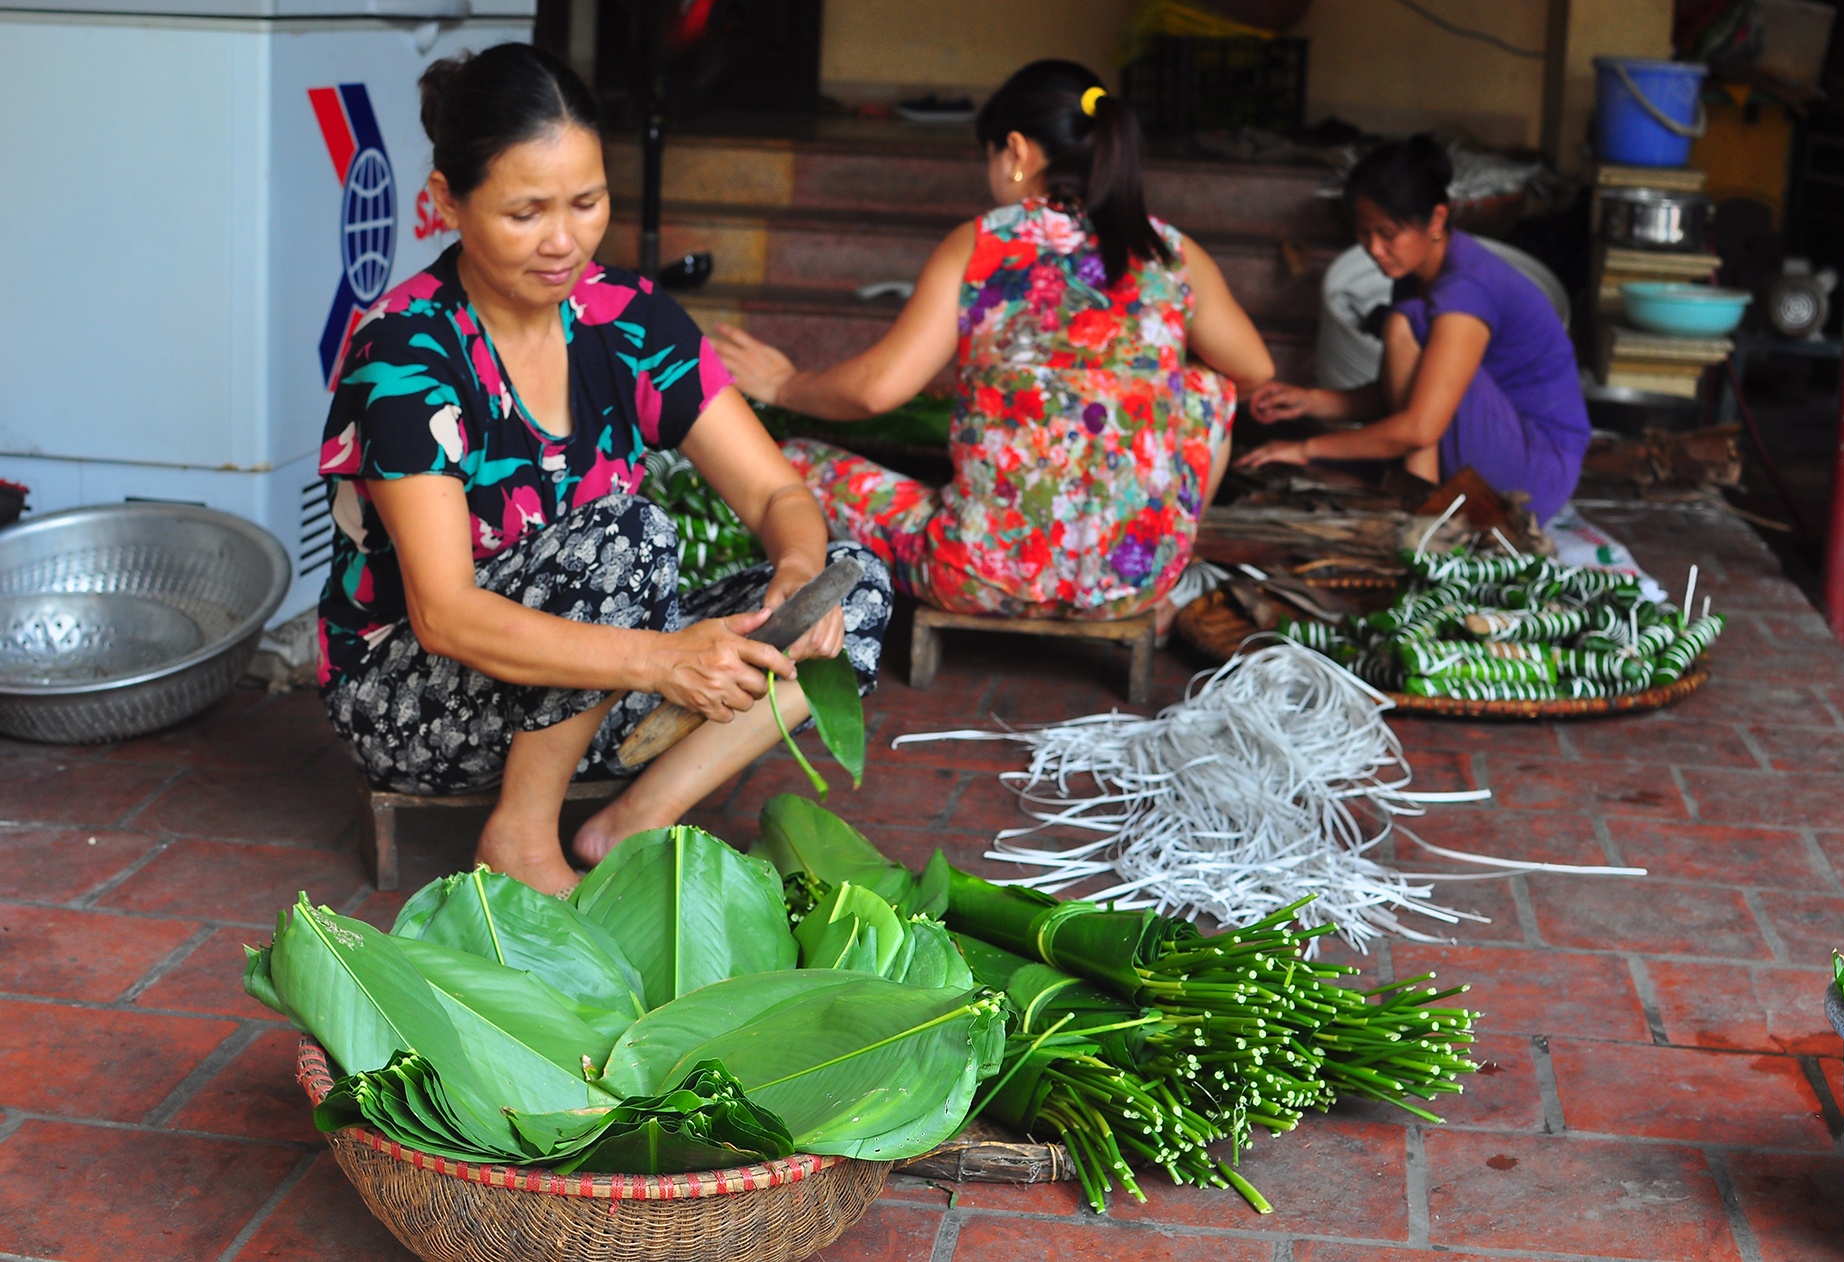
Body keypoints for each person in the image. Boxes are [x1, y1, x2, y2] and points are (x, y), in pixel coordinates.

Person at [315, 43, 891, 895]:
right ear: (446, 203)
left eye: (587, 203)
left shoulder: (627, 319)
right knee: (626, 536)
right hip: (422, 700)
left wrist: (796, 582)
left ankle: (630, 823)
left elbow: (774, 491)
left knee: (859, 586)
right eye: (526, 213)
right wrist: (662, 663)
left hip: (601, 676)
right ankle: (519, 838)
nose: (564, 240)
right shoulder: (406, 352)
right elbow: (443, 615)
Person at [710, 59, 1277, 628]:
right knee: (1210, 385)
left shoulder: (984, 244)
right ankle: (1147, 549)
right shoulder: (1169, 252)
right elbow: (1253, 369)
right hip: (1130, 585)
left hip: (978, 574)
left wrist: (785, 384)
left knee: (785, 465)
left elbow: (877, 392)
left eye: (992, 155)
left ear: (1017, 150)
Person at [1240, 135, 1590, 524]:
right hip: (1490, 440)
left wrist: (1306, 447)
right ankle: (1419, 500)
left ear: (1437, 220)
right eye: (1363, 232)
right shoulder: (1415, 275)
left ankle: (1422, 513)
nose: (1374, 248)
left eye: (1388, 234)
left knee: (1405, 324)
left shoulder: (1466, 290)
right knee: (1327, 475)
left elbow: (1421, 426)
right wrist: (1310, 401)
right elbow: (1409, 391)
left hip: (1534, 470)